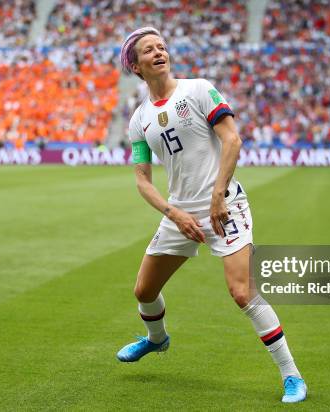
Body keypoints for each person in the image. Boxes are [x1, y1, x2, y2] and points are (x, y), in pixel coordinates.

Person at [116, 27, 307, 403]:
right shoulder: (139, 120)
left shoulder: (199, 89)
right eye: (148, 50)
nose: (159, 52)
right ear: (136, 67)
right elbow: (142, 181)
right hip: (180, 214)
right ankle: (157, 340)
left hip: (225, 207)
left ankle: (292, 377)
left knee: (242, 293)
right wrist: (174, 213)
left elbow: (232, 139)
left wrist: (218, 195)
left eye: (162, 46)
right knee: (144, 290)